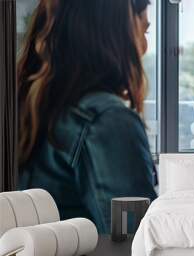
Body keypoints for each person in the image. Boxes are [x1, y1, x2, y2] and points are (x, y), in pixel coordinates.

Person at [17, 0, 157, 233]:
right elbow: (138, 243)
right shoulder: (107, 121)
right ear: (116, 31)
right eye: (144, 30)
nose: (144, 45)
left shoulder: (31, 107)